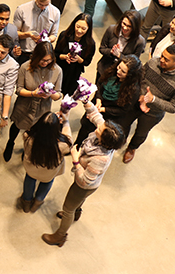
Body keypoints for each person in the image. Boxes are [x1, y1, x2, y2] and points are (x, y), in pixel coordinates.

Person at [41, 100, 125, 247]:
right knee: (76, 204)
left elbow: (85, 181)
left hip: (84, 186)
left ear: (104, 140)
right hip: (90, 182)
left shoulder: (101, 158)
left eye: (100, 130)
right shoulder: (106, 136)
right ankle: (77, 212)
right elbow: (94, 115)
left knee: (67, 209)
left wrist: (75, 161)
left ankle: (60, 236)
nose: (98, 127)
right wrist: (86, 102)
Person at [122, 45, 175, 163]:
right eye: (162, 56)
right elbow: (140, 77)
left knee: (141, 133)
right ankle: (122, 140)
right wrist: (140, 94)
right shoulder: (153, 62)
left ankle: (132, 148)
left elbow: (174, 107)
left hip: (152, 113)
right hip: (136, 102)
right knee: (124, 122)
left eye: (166, 59)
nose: (161, 60)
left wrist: (153, 99)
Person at [4, 41, 63, 162]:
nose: (45, 63)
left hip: (43, 108)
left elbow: (59, 94)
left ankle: (27, 149)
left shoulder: (57, 71)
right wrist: (33, 93)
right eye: (42, 60)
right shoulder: (25, 67)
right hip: (24, 105)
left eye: (48, 60)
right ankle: (10, 143)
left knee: (34, 132)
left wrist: (51, 94)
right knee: (17, 125)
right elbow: (19, 89)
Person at [75, 54, 142, 148]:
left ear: (130, 75)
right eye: (119, 67)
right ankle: (77, 146)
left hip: (110, 116)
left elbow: (123, 110)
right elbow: (99, 83)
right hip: (98, 105)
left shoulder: (133, 91)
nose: (118, 71)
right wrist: (98, 99)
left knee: (98, 137)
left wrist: (103, 109)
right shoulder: (112, 72)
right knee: (85, 128)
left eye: (123, 71)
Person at [18, 111, 72, 213]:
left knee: (29, 179)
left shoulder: (28, 137)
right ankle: (37, 202)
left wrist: (47, 120)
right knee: (46, 182)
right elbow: (69, 139)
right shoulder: (62, 145)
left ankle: (26, 202)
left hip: (31, 167)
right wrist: (66, 121)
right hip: (49, 171)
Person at [14, 0, 61, 66]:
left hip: (43, 56)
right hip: (25, 53)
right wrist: (28, 34)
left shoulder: (55, 12)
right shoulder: (21, 10)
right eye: (40, 4)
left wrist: (48, 39)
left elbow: (54, 35)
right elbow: (14, 34)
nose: (43, 7)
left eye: (46, 5)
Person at [95, 10, 145, 81]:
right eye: (124, 24)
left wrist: (119, 56)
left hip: (121, 76)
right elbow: (102, 48)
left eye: (129, 26)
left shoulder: (140, 42)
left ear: (135, 27)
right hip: (104, 69)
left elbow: (134, 63)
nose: (125, 28)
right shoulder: (111, 29)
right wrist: (111, 52)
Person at [55, 13, 96, 96]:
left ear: (88, 29)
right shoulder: (64, 35)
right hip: (59, 69)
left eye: (83, 28)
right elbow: (55, 53)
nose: (79, 30)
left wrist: (79, 59)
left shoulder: (90, 44)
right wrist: (64, 56)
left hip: (73, 73)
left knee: (68, 95)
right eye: (77, 26)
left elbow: (87, 62)